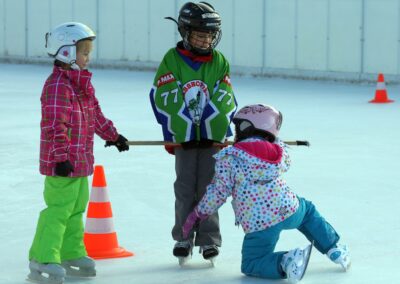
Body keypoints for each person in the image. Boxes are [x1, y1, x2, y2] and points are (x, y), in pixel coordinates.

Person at [182, 104, 351, 282]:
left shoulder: (229, 158)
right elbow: (286, 162)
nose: (235, 132)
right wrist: (276, 142)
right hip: (289, 208)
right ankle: (333, 248)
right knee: (308, 212)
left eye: (238, 127)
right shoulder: (279, 151)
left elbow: (218, 192)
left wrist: (198, 213)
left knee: (252, 263)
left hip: (259, 223)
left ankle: (285, 261)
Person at [28, 22, 130, 284]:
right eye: (83, 52)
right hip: (62, 164)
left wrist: (114, 136)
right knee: (58, 210)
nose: (88, 57)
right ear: (66, 53)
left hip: (80, 163)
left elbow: (95, 115)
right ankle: (43, 255)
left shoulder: (82, 85)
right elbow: (54, 125)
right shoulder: (58, 86)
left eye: (88, 51)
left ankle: (70, 252)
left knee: (75, 209)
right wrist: (61, 158)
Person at [149, 2, 237, 262]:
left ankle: (209, 238)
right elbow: (164, 95)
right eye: (200, 34)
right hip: (185, 141)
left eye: (210, 35)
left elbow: (225, 97)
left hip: (211, 141)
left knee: (210, 187)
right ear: (185, 33)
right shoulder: (172, 59)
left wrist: (214, 127)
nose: (205, 39)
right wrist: (182, 131)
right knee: (185, 187)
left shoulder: (219, 61)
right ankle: (184, 236)